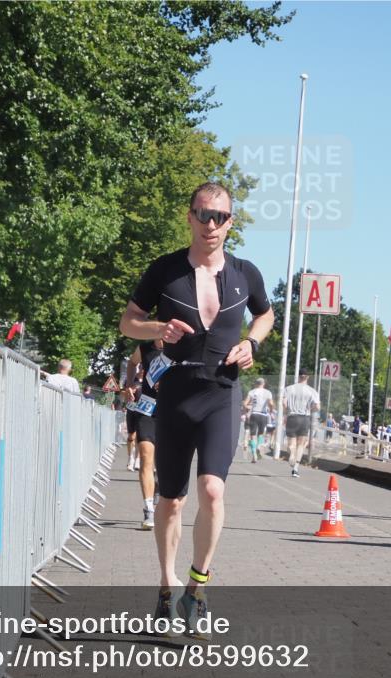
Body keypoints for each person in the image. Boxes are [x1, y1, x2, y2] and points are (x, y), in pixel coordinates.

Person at [119, 181, 274, 636]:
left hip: (221, 393)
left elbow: (266, 314)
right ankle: (166, 587)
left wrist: (252, 342)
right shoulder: (164, 270)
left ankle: (197, 588)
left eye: (220, 217)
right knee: (171, 499)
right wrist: (156, 329)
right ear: (188, 217)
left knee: (212, 491)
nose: (211, 225)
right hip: (175, 394)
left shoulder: (246, 273)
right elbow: (128, 322)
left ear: (230, 223)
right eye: (203, 215)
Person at [125, 340, 165, 530]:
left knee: (164, 462)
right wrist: (130, 385)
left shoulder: (184, 346)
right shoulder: (145, 347)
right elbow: (132, 363)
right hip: (147, 407)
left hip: (173, 409)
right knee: (146, 456)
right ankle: (149, 509)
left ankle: (158, 481)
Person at [282, 369, 320, 477]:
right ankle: (295, 469)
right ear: (307, 377)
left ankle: (291, 455)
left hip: (292, 417)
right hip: (305, 418)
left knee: (291, 443)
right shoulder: (312, 391)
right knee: (301, 444)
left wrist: (286, 414)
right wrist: (310, 408)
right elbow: (317, 407)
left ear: (298, 376)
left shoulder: (288, 389)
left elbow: (284, 404)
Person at [243, 377, 274, 462]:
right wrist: (271, 411)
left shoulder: (252, 392)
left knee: (252, 435)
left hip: (254, 414)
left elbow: (245, 403)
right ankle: (258, 446)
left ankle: (254, 455)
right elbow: (271, 403)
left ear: (256, 384)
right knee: (260, 434)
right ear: (263, 384)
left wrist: (247, 408)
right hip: (263, 415)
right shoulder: (268, 392)